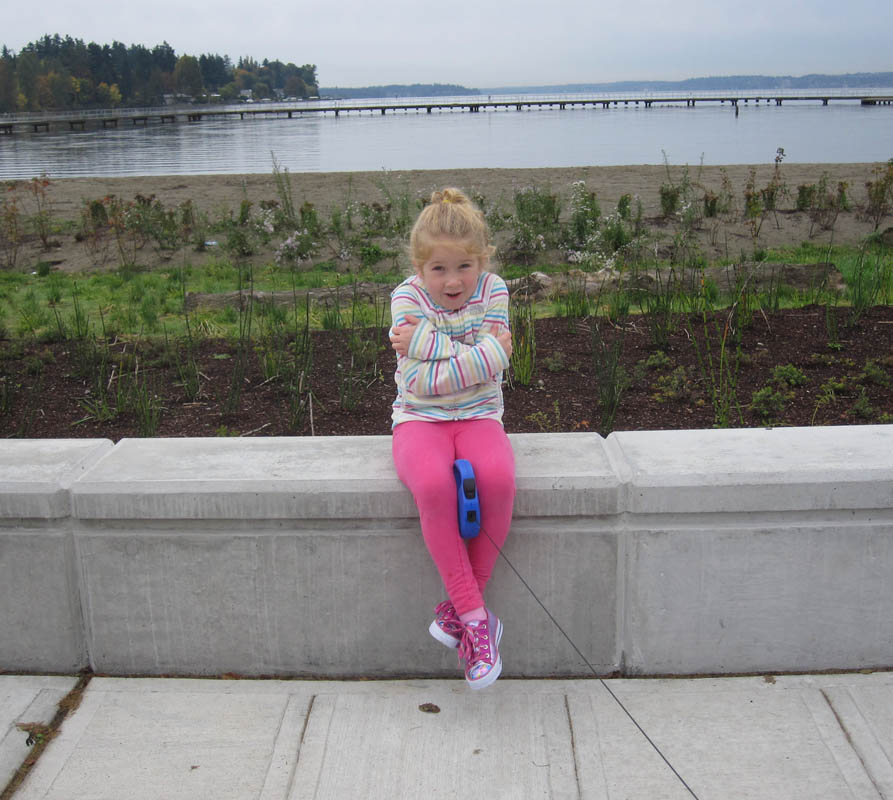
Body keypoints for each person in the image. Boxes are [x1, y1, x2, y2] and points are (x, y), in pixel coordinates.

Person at [389, 187, 516, 690]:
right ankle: (479, 623)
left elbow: (489, 376)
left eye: (464, 266)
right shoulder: (404, 297)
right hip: (419, 420)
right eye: (438, 269)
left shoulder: (495, 290)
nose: (453, 280)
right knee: (436, 488)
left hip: (481, 416)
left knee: (499, 481)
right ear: (420, 268)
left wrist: (425, 344)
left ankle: (460, 611)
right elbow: (416, 383)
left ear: (481, 261)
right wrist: (484, 355)